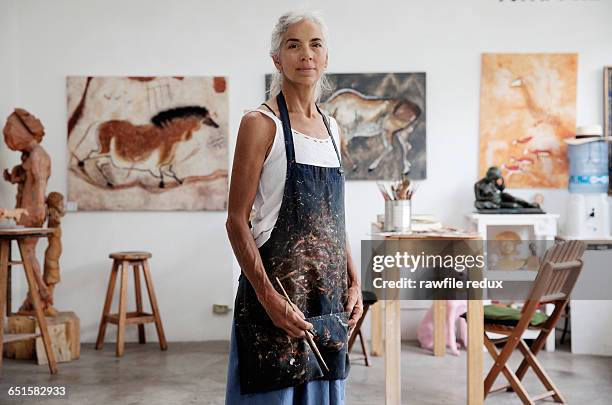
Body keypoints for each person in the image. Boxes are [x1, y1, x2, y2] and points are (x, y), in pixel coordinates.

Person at [225, 11, 363, 405]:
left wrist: (353, 282)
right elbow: (236, 223)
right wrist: (270, 301)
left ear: (326, 58)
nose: (306, 54)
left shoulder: (334, 129)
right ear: (276, 59)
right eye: (293, 44)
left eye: (315, 44)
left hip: (327, 300)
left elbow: (333, 221)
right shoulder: (260, 123)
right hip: (277, 298)